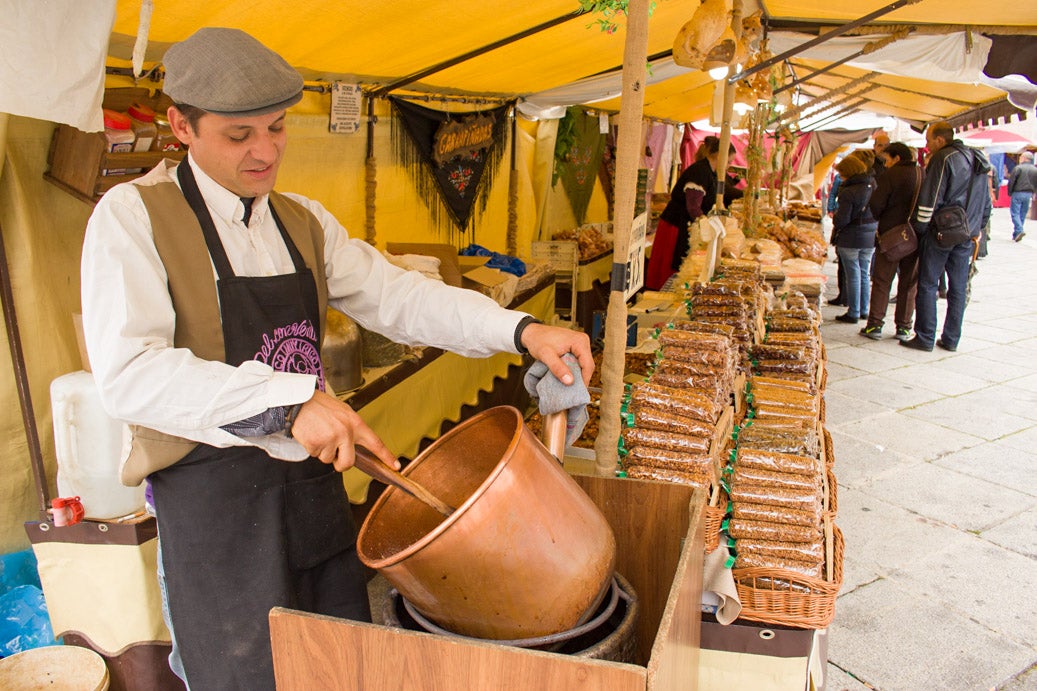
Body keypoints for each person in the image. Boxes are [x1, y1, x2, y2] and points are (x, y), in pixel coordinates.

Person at [79, 28, 593, 690]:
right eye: (239, 136)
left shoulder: (300, 219)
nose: (264, 151)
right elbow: (130, 375)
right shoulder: (133, 218)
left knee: (338, 668)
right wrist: (285, 402)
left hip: (314, 498)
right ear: (181, 124)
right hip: (218, 521)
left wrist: (521, 330)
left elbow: (397, 297)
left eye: (277, 128)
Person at [901, 121, 992, 352]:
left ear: (940, 140)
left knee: (929, 283)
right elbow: (986, 202)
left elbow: (930, 198)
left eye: (929, 139)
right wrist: (977, 229)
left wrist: (920, 230)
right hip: (967, 233)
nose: (926, 144)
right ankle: (951, 339)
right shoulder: (978, 160)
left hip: (942, 232)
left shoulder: (944, 159)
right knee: (958, 288)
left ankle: (925, 336)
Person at [646, 136, 740, 289]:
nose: (729, 166)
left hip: (684, 224)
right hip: (676, 226)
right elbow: (693, 207)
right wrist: (704, 225)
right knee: (671, 268)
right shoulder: (699, 172)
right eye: (729, 162)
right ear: (719, 156)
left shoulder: (711, 172)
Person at [860, 142, 921, 341]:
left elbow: (876, 204)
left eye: (887, 160)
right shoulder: (923, 174)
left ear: (897, 158)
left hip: (890, 236)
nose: (885, 164)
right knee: (909, 282)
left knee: (882, 281)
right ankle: (904, 327)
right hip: (914, 236)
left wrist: (887, 217)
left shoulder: (890, 175)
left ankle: (875, 324)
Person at [829, 154, 878, 324]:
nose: (840, 177)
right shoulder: (872, 184)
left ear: (848, 172)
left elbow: (842, 219)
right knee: (864, 273)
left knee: (853, 275)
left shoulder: (849, 191)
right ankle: (864, 310)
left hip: (851, 237)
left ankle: (853, 312)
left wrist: (835, 217)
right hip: (870, 234)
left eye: (841, 173)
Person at [1007, 151, 1037, 241]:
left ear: (1024, 158)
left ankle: (1019, 230)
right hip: (1028, 193)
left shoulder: (1018, 168)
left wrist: (1010, 192)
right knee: (1022, 213)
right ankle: (1016, 233)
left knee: (1015, 213)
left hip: (1018, 192)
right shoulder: (1035, 170)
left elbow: (1012, 181)